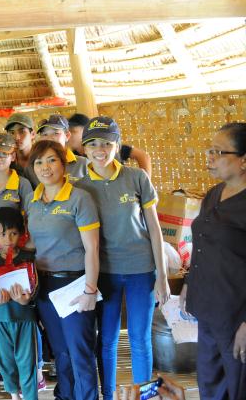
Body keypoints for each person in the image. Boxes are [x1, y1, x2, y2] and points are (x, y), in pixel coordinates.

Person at [75, 117, 170, 400]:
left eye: (106, 143)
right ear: (84, 148)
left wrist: (162, 276)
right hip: (105, 273)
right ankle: (109, 395)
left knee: (140, 339)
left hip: (142, 270)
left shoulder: (137, 177)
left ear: (117, 145)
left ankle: (142, 395)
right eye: (93, 144)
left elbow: (154, 229)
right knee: (107, 340)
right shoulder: (79, 187)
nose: (100, 150)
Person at [25, 140, 100, 400]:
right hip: (44, 288)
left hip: (75, 285)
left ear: (63, 163)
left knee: (80, 353)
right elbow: (34, 243)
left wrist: (90, 291)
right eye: (39, 162)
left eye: (51, 160)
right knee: (61, 353)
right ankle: (64, 396)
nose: (45, 167)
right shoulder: (32, 200)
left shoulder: (80, 198)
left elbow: (92, 248)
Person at [181, 122, 246, 400]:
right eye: (210, 150)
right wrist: (189, 283)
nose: (210, 157)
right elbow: (202, 245)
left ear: (243, 160)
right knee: (210, 384)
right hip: (208, 308)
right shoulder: (213, 194)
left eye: (219, 152)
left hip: (237, 316)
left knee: (237, 386)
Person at [0, 207, 38, 400]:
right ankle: (14, 394)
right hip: (0, 319)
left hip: (25, 319)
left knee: (27, 361)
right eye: (3, 234)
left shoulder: (28, 258)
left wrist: (26, 299)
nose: (8, 239)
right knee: (5, 361)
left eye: (14, 233)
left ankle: (30, 396)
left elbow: (35, 287)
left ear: (21, 234)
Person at [0, 133, 32, 251]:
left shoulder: (23, 184)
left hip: (14, 247)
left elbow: (28, 219)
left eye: (3, 154)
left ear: (13, 156)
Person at [68, 113, 152, 178]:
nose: (69, 135)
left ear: (85, 132)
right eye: (67, 132)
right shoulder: (73, 158)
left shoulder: (111, 148)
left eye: (73, 131)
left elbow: (143, 156)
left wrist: (145, 182)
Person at [25, 114, 88, 187]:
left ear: (67, 135)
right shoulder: (32, 167)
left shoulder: (83, 164)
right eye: (44, 134)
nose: (49, 138)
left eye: (56, 133)